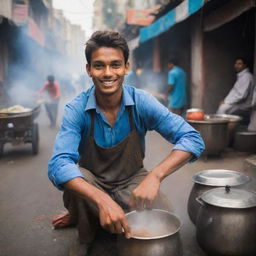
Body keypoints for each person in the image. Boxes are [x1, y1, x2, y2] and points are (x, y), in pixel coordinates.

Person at [48, 31, 205, 255]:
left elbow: (192, 138)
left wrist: (154, 176)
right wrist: (101, 199)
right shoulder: (77, 109)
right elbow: (58, 164)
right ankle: (86, 231)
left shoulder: (142, 102)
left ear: (126, 67)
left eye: (115, 65)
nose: (108, 73)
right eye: (99, 66)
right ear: (89, 70)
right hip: (94, 182)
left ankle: (92, 213)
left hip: (133, 181)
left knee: (166, 219)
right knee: (76, 185)